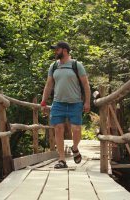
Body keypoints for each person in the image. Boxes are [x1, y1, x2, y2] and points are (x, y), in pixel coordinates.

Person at [40, 41, 91, 169]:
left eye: (57, 49)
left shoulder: (76, 65)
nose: (55, 52)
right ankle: (62, 160)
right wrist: (43, 101)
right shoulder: (53, 66)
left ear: (65, 50)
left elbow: (86, 84)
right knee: (58, 129)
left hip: (75, 103)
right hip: (58, 103)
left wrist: (87, 102)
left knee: (76, 129)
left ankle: (75, 147)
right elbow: (49, 85)